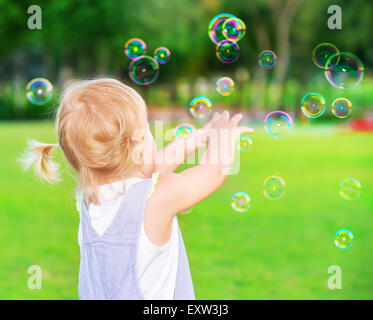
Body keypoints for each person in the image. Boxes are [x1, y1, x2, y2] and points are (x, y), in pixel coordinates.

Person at [20, 78, 252, 299]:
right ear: (141, 143)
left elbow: (149, 172)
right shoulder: (157, 199)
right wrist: (224, 136)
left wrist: (199, 138)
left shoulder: (89, 198)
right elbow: (212, 172)